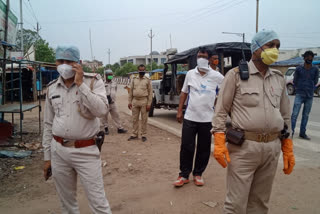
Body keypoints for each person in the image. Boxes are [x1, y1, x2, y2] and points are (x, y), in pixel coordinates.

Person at [212, 30, 295, 214]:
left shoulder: (279, 79)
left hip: (271, 148)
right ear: (256, 48)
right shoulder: (235, 76)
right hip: (244, 148)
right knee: (235, 205)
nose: (275, 50)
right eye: (270, 45)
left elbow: (285, 114)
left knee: (260, 204)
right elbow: (220, 111)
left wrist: (287, 146)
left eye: (277, 46)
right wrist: (218, 141)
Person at [42, 45, 112, 214]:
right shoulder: (52, 87)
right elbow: (48, 124)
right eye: (61, 61)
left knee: (98, 202)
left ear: (78, 63)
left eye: (69, 61)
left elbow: (102, 110)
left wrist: (81, 85)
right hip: (58, 151)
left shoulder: (93, 81)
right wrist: (47, 156)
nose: (64, 65)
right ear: (55, 63)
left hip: (86, 150)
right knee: (67, 203)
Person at [174, 47, 224, 187]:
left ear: (209, 59)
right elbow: (184, 93)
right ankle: (183, 175)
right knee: (186, 146)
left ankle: (198, 174)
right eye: (199, 56)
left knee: (204, 148)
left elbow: (225, 94)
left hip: (207, 119)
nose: (201, 58)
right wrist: (179, 111)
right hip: (190, 117)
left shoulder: (217, 77)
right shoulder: (190, 74)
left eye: (204, 56)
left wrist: (218, 108)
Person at [291, 50, 319, 140]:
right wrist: (298, 87)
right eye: (308, 58)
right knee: (294, 114)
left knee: (305, 115)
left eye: (311, 58)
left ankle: (302, 133)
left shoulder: (315, 69)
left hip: (309, 96)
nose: (309, 59)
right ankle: (291, 132)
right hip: (299, 94)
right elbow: (295, 81)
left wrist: (311, 88)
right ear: (304, 58)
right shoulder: (299, 69)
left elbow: (315, 81)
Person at [127, 64, 153, 142]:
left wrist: (149, 104)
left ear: (145, 71)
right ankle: (134, 134)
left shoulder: (147, 80)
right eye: (140, 70)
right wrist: (129, 102)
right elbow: (130, 91)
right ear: (138, 71)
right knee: (134, 119)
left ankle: (143, 135)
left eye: (143, 70)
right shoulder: (134, 79)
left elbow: (150, 92)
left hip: (144, 101)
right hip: (135, 101)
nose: (142, 72)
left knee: (144, 119)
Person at [100, 69, 127, 135]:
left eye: (111, 75)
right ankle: (106, 128)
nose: (111, 76)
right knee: (104, 116)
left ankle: (119, 128)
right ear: (106, 75)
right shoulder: (102, 83)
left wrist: (112, 98)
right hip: (105, 103)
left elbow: (115, 90)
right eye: (109, 75)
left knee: (116, 115)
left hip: (113, 103)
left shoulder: (114, 83)